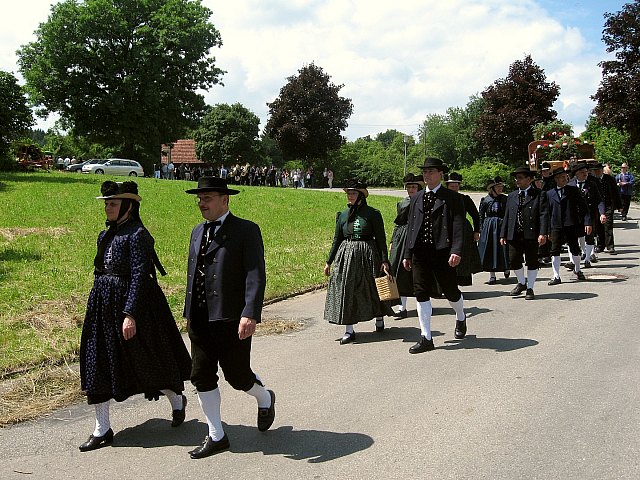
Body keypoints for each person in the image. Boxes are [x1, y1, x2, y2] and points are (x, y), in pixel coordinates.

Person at [78, 181, 192, 452]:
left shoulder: (138, 235)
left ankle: (176, 398)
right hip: (103, 308)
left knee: (147, 360)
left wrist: (130, 313)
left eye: (113, 204)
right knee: (99, 362)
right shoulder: (105, 234)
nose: (107, 208)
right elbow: (100, 269)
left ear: (128, 206)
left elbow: (141, 276)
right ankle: (102, 429)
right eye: (106, 203)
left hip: (136, 306)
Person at [184, 176, 275, 459]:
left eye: (207, 198)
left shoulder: (246, 230)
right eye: (199, 199)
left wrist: (250, 313)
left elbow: (255, 274)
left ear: (225, 200)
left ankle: (264, 397)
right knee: (201, 376)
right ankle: (217, 435)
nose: (201, 203)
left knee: (237, 376)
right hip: (199, 317)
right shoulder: (197, 231)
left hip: (231, 318)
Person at [402, 157, 468, 354]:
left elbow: (458, 226)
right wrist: (407, 253)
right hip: (420, 253)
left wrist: (456, 250)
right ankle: (426, 337)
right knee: (420, 292)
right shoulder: (416, 198)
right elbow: (411, 228)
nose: (427, 174)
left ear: (440, 174)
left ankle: (461, 316)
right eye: (425, 172)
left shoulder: (453, 198)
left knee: (450, 290)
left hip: (443, 251)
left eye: (431, 171)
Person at [324, 179, 394, 344]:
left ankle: (379, 316)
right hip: (346, 256)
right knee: (346, 290)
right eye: (348, 193)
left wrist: (384, 260)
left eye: (353, 193)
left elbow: (381, 239)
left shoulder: (373, 214)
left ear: (361, 195)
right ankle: (349, 330)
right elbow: (337, 239)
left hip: (368, 254)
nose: (350, 196)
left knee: (371, 287)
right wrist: (329, 261)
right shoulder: (342, 215)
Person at [499, 166, 549, 300]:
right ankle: (521, 282)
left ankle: (530, 288)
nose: (517, 180)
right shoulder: (512, 196)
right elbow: (507, 215)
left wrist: (543, 233)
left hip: (531, 233)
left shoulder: (539, 194)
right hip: (514, 233)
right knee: (513, 260)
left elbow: (544, 214)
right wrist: (503, 234)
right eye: (516, 178)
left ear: (529, 179)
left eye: (520, 178)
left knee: (532, 261)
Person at [545, 167, 590, 285]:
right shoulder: (549, 194)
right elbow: (547, 213)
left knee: (574, 248)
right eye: (562, 177)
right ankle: (556, 276)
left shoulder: (573, 190)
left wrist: (587, 222)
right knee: (554, 250)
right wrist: (547, 230)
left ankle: (578, 269)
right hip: (556, 225)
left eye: (566, 177)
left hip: (571, 224)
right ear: (556, 179)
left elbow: (584, 207)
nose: (565, 179)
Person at [389, 173, 424, 318]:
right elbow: (398, 223)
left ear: (419, 187)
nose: (411, 189)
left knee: (419, 271)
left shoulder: (424, 202)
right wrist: (392, 241)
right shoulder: (402, 203)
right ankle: (402, 307)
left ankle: (423, 304)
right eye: (409, 187)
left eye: (414, 186)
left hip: (419, 236)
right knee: (400, 271)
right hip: (403, 238)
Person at [444, 172, 482, 286]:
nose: (454, 188)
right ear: (447, 186)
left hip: (463, 230)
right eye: (452, 186)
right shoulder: (442, 198)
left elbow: (475, 215)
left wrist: (476, 231)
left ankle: (457, 283)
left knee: (461, 257)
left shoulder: (464, 199)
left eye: (456, 185)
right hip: (446, 230)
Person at [567, 162, 605, 269]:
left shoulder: (592, 185)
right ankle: (572, 261)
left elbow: (599, 200)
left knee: (589, 236)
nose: (585, 174)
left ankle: (587, 258)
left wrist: (602, 213)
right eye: (582, 172)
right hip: (574, 216)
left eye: (586, 172)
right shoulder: (570, 185)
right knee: (573, 237)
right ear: (576, 174)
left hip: (590, 215)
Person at [478, 176, 510, 285]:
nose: (500, 188)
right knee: (490, 250)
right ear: (492, 188)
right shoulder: (486, 200)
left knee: (503, 248)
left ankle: (506, 267)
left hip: (501, 225)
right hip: (489, 227)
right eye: (498, 187)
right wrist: (481, 229)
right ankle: (492, 275)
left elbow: (508, 214)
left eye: (501, 186)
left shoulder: (505, 199)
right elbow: (481, 215)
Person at [589, 162, 621, 254]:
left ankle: (610, 246)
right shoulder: (592, 181)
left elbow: (616, 192)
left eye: (598, 170)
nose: (597, 172)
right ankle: (600, 245)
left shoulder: (609, 179)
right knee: (598, 227)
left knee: (608, 225)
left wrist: (619, 205)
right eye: (595, 171)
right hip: (596, 206)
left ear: (602, 170)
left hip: (608, 205)